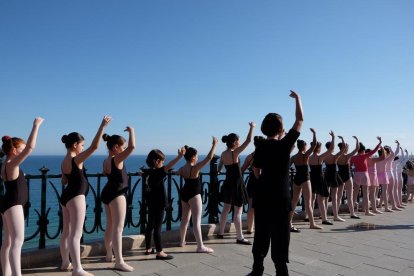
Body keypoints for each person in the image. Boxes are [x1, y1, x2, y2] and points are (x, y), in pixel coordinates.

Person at [249, 91, 302, 276]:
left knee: (261, 232)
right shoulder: (284, 145)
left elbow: (256, 171)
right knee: (280, 234)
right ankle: (281, 269)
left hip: (263, 195)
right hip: (280, 197)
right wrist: (298, 100)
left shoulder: (260, 146)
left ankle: (257, 268)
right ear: (280, 129)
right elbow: (300, 120)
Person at [59, 116, 111, 276]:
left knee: (66, 232)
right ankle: (77, 269)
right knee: (76, 234)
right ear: (75, 145)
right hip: (76, 198)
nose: (83, 148)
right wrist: (102, 126)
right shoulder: (76, 159)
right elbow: (95, 146)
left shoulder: (64, 161)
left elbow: (64, 180)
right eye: (82, 145)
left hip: (66, 197)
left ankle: (65, 262)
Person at [1, 117, 44, 276]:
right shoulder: (12, 164)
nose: (23, 151)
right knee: (17, 242)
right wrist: (36, 126)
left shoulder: (6, 164)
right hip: (14, 205)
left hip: (8, 203)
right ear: (13, 150)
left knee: (8, 242)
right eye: (21, 149)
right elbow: (31, 147)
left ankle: (6, 273)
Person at [101, 127, 135, 271]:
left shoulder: (106, 160)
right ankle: (119, 261)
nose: (125, 149)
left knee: (110, 225)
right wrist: (132, 131)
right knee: (118, 228)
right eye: (123, 146)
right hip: (117, 195)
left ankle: (109, 254)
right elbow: (133, 147)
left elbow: (107, 174)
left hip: (107, 194)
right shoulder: (117, 158)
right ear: (116, 147)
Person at [143, 147, 185, 260]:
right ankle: (159, 252)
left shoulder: (148, 172)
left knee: (150, 225)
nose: (163, 163)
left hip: (150, 202)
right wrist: (180, 156)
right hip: (159, 203)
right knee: (157, 227)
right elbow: (169, 166)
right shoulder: (158, 172)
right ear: (157, 161)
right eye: (162, 161)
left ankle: (148, 248)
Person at [177, 137, 218, 253]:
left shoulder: (182, 168)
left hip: (184, 193)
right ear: (193, 157)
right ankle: (200, 246)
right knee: (196, 221)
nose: (198, 157)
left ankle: (181, 241)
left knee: (184, 220)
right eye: (197, 155)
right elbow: (209, 158)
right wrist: (214, 145)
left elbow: (175, 172)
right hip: (194, 194)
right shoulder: (194, 168)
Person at [217, 122, 255, 245]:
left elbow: (219, 168)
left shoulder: (223, 154)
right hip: (237, 184)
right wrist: (252, 127)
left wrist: (219, 171)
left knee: (226, 209)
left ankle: (220, 232)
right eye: (237, 141)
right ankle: (239, 237)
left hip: (228, 183)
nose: (239, 143)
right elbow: (249, 140)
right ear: (234, 142)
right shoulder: (234, 153)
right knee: (238, 212)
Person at [289, 128, 322, 231]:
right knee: (308, 202)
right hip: (305, 179)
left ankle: (289, 223)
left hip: (296, 179)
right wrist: (314, 133)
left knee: (294, 201)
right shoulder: (305, 155)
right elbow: (314, 145)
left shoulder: (294, 157)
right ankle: (312, 223)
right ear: (304, 147)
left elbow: (287, 166)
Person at [240, 136, 266, 234]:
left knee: (251, 206)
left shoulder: (250, 156)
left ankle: (250, 228)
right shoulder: (265, 156)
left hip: (252, 181)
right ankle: (262, 227)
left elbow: (242, 170)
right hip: (263, 181)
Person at [350, 137, 382, 216]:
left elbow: (350, 166)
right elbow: (374, 150)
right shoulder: (364, 156)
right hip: (364, 174)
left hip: (356, 174)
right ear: (363, 150)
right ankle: (367, 211)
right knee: (365, 193)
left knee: (355, 193)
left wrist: (357, 141)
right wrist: (379, 143)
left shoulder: (353, 157)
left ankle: (352, 211)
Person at [309, 132, 335, 225]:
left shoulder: (309, 157)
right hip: (320, 178)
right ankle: (324, 219)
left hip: (311, 177)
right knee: (322, 199)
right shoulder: (319, 158)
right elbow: (331, 149)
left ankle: (309, 217)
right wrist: (333, 137)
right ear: (319, 148)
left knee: (311, 199)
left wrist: (314, 134)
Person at [336, 136, 360, 219]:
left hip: (340, 176)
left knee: (339, 196)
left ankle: (336, 214)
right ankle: (352, 213)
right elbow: (357, 149)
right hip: (347, 176)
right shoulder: (347, 156)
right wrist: (357, 140)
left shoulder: (337, 156)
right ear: (344, 148)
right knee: (349, 196)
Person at [323, 136, 346, 221]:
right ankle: (335, 216)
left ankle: (323, 214)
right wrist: (339, 138)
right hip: (333, 176)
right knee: (334, 196)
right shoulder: (334, 157)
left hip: (326, 175)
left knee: (325, 196)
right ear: (331, 148)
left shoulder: (324, 156)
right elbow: (343, 148)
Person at [366, 147, 385, 214]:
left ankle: (364, 208)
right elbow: (383, 157)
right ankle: (374, 209)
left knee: (366, 193)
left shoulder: (365, 159)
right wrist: (382, 149)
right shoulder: (372, 159)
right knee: (373, 194)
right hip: (373, 176)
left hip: (367, 176)